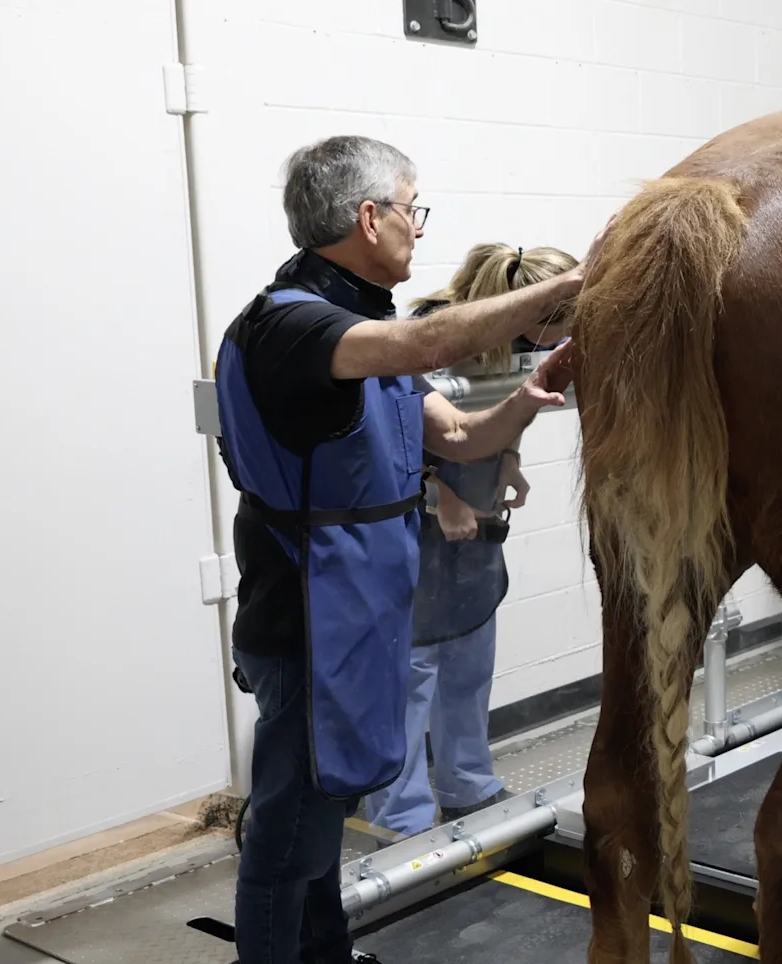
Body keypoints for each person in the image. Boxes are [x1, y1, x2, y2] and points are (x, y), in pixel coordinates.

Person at [213, 135, 581, 964]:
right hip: (309, 623)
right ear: (368, 217)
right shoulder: (293, 327)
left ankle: (328, 955)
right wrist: (570, 286)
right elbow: (427, 347)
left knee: (319, 817)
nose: (418, 227)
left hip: (359, 617)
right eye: (412, 210)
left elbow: (456, 436)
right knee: (289, 835)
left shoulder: (354, 324)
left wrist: (530, 395)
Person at [359, 243, 579, 837]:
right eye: (557, 324)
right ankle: (399, 814)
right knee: (413, 671)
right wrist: (441, 494)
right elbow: (382, 439)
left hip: (475, 523)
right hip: (412, 523)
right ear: (525, 311)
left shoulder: (507, 346)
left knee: (470, 659)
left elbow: (500, 404)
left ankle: (468, 785)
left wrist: (507, 458)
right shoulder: (425, 337)